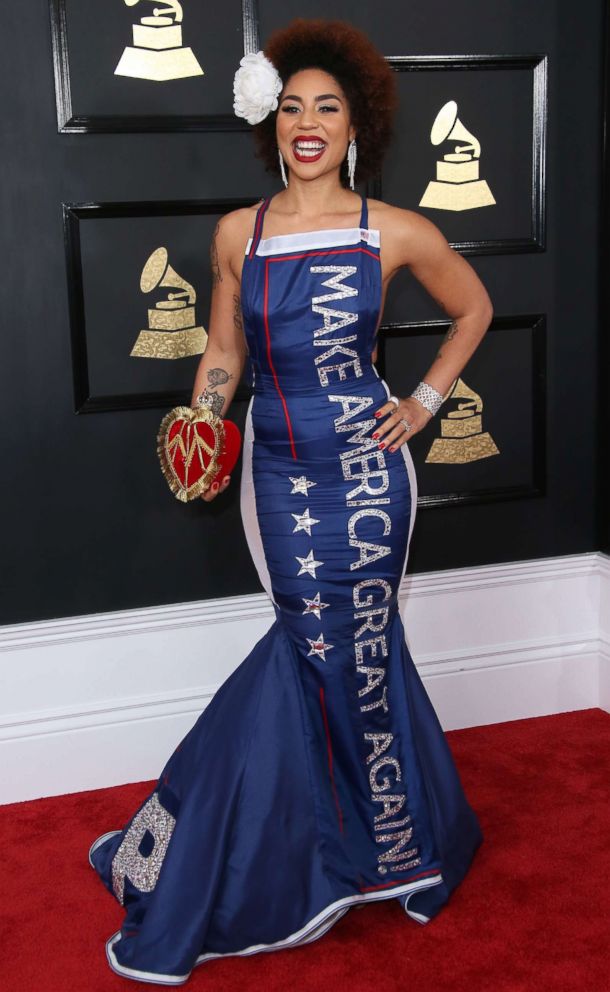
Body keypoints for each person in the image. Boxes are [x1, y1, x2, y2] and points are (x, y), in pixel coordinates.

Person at [89, 18, 492, 985]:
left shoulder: (395, 229)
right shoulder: (240, 233)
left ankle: (381, 836)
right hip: (275, 468)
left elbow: (472, 306)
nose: (309, 123)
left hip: (366, 474)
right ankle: (317, 841)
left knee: (361, 640)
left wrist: (425, 401)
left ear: (355, 126)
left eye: (329, 108)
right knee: (308, 643)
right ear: (273, 124)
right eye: (294, 107)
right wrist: (206, 415)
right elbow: (223, 349)